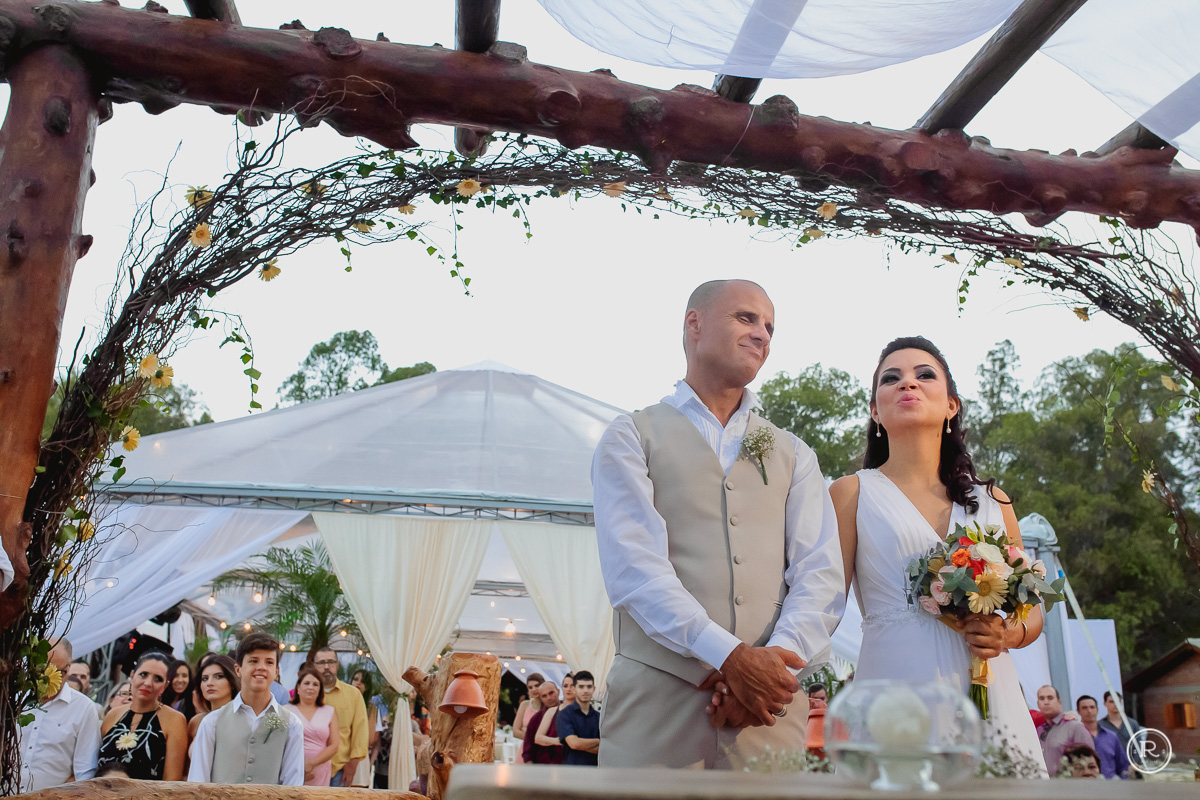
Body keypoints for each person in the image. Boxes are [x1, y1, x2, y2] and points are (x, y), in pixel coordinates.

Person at [592, 279, 846, 769]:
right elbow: (634, 570)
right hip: (655, 711)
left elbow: (821, 574)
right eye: (746, 318)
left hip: (769, 716)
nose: (762, 334)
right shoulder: (630, 435)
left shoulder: (795, 453)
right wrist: (731, 658)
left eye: (770, 326)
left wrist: (771, 669)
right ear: (694, 323)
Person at [830, 336, 1048, 777]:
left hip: (989, 689)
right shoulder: (851, 493)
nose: (907, 383)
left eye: (924, 375)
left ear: (952, 405)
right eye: (891, 379)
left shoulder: (992, 501)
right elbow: (821, 604)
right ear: (875, 411)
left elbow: (1033, 610)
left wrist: (1007, 634)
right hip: (894, 691)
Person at [188, 632, 304, 785]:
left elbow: (293, 785)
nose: (261, 667)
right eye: (253, 661)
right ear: (238, 669)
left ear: (276, 672)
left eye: (269, 662)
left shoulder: (292, 724)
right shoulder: (212, 722)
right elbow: (197, 782)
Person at [18, 638, 101, 791]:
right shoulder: (14, 699)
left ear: (68, 669)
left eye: (56, 672)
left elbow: (85, 772)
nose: (46, 678)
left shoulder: (83, 708)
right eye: (41, 670)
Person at [98, 651, 187, 780]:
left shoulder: (174, 720)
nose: (148, 683)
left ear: (165, 685)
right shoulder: (113, 715)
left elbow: (171, 783)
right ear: (132, 675)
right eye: (143, 675)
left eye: (158, 679)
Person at [310, 647, 367, 786]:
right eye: (321, 663)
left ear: (337, 665)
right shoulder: (307, 694)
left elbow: (360, 731)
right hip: (310, 769)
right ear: (314, 666)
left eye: (331, 662)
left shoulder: (353, 694)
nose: (326, 667)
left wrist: (353, 764)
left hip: (340, 770)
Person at [287, 663, 340, 786]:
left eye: (315, 684)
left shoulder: (329, 711)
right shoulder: (285, 710)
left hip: (320, 768)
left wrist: (311, 763)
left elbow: (334, 745)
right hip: (291, 767)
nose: (310, 687)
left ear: (320, 690)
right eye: (306, 683)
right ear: (298, 688)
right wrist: (299, 765)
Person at [1036, 685, 1093, 777]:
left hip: (1069, 787)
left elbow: (1089, 763)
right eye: (1042, 699)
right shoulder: (1039, 730)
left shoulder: (1075, 727)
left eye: (1050, 698)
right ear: (1038, 704)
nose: (1046, 702)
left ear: (1059, 702)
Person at [188, 653, 240, 744]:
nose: (209, 683)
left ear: (232, 681)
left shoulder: (246, 720)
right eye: (204, 679)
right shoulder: (196, 722)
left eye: (219, 676)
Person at [554, 670, 600, 766]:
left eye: (589, 686)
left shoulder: (599, 717)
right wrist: (598, 741)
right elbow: (574, 743)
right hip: (572, 772)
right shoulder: (564, 714)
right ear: (574, 689)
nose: (585, 690)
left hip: (595, 773)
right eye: (581, 687)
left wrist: (581, 744)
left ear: (594, 689)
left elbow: (604, 750)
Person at [1077, 694, 1128, 778]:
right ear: (1078, 711)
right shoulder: (1075, 736)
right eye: (1084, 708)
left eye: (1092, 707)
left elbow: (1122, 766)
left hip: (1111, 786)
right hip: (1086, 786)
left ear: (1097, 710)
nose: (1089, 711)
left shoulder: (1111, 736)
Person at [349, 668, 380, 786]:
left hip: (360, 755)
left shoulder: (372, 709)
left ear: (366, 686)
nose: (358, 683)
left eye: (362, 681)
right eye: (355, 679)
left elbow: (370, 738)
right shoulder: (344, 703)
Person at [523, 681, 563, 765]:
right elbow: (527, 751)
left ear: (558, 691)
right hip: (542, 766)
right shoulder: (536, 719)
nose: (549, 698)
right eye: (544, 696)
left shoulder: (568, 712)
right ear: (541, 698)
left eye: (551, 693)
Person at [1099, 690, 1141, 764]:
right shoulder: (1100, 725)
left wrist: (1135, 764)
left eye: (1118, 701)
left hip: (1132, 767)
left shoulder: (1132, 724)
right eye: (1111, 702)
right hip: (1110, 768)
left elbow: (1139, 746)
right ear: (1105, 703)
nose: (1115, 704)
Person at [511, 672, 544, 762]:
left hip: (543, 752)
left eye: (536, 686)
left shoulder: (548, 707)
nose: (534, 689)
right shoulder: (525, 705)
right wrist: (536, 738)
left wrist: (525, 732)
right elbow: (515, 731)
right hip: (525, 750)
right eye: (530, 687)